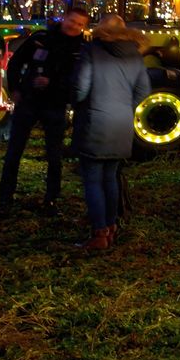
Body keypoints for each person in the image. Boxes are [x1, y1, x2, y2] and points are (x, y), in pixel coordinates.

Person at [0, 7, 89, 219]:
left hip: (55, 105)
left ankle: (51, 199)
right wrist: (16, 88)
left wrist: (54, 85)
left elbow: (78, 80)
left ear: (84, 27)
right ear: (65, 19)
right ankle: (5, 200)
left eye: (80, 24)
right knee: (13, 153)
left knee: (54, 155)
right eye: (72, 21)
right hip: (29, 101)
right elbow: (16, 63)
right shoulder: (42, 37)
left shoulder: (82, 48)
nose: (74, 27)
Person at [71, 14, 150, 250]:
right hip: (121, 123)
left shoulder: (92, 51)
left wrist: (76, 102)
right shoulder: (135, 55)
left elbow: (80, 89)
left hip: (95, 122)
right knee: (110, 178)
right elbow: (143, 90)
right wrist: (126, 107)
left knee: (93, 180)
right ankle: (112, 225)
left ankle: (99, 233)